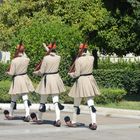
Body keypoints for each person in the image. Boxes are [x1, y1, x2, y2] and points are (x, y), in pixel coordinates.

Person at [64, 43, 101, 130]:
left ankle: (73, 121)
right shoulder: (92, 58)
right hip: (90, 80)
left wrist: (71, 74)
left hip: (81, 81)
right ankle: (94, 122)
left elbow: (77, 74)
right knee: (91, 103)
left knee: (76, 103)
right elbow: (89, 56)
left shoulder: (78, 60)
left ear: (80, 50)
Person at [31, 42, 65, 127]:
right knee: (56, 101)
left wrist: (36, 73)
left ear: (49, 49)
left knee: (42, 101)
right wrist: (46, 48)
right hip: (56, 79)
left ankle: (39, 118)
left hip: (47, 79)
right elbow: (52, 54)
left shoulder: (45, 58)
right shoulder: (58, 57)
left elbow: (42, 71)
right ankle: (58, 119)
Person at [3, 41, 34, 122]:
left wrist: (7, 73)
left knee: (13, 98)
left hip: (17, 79)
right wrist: (23, 51)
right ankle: (27, 114)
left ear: (17, 51)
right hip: (24, 78)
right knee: (25, 97)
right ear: (23, 51)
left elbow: (12, 73)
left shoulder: (14, 61)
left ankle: (10, 114)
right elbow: (25, 56)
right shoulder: (27, 59)